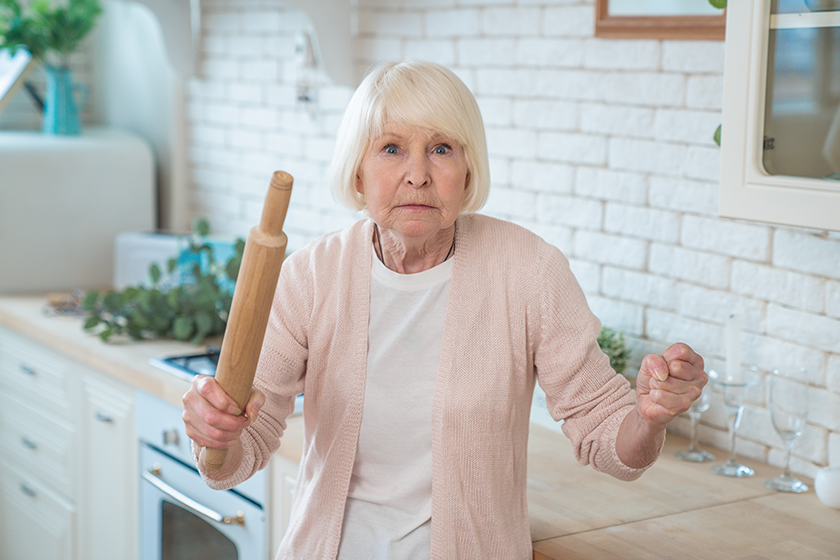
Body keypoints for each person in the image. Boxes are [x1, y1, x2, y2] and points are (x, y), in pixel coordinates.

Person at [181, 59, 707, 560]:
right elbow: (242, 447)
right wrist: (216, 438)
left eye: (440, 148)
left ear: (467, 170)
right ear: (358, 173)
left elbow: (607, 436)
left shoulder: (529, 271)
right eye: (390, 148)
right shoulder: (310, 276)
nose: (417, 175)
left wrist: (647, 417)